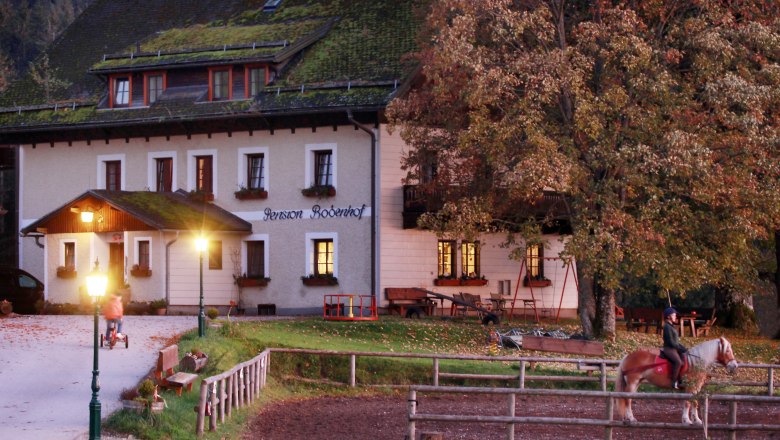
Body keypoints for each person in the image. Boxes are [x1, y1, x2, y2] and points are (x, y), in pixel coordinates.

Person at [662, 307, 687, 390]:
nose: (675, 316)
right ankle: (673, 382)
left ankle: (681, 381)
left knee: (684, 360)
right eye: (674, 315)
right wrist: (680, 348)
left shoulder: (671, 326)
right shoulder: (667, 327)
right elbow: (671, 342)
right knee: (678, 362)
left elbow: (675, 342)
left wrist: (683, 348)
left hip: (674, 348)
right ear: (668, 316)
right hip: (669, 349)